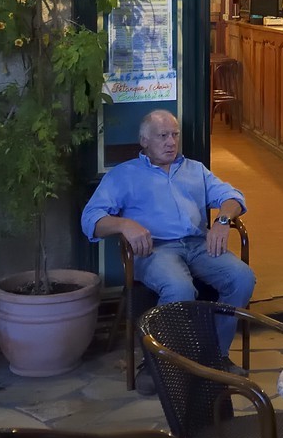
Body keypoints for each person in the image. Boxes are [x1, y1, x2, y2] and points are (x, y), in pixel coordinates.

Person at [81, 109, 255, 393]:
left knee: (242, 278)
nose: (171, 142)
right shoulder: (125, 175)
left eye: (175, 135)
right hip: (155, 250)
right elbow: (91, 220)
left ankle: (215, 356)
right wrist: (125, 224)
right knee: (179, 288)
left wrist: (223, 221)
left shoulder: (195, 170)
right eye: (163, 136)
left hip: (199, 245)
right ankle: (159, 362)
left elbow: (233, 196)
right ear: (144, 141)